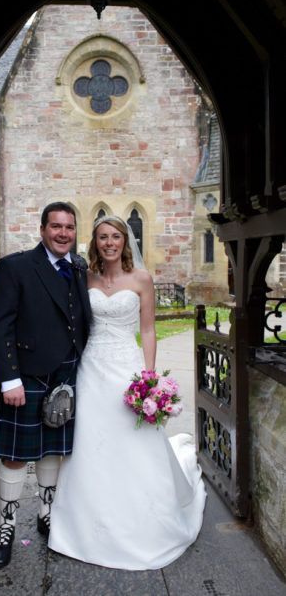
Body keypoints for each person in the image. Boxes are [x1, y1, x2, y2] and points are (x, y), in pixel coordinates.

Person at [49, 215, 206, 570]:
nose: (109, 243)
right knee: (91, 441)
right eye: (103, 237)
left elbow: (147, 330)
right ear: (95, 242)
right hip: (92, 369)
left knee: (134, 439)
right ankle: (84, 523)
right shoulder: (84, 278)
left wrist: (149, 377)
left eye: (115, 236)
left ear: (125, 240)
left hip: (126, 369)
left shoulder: (141, 279)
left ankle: (144, 519)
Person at [0, 201, 91, 569]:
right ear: (42, 229)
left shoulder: (79, 267)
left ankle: (46, 513)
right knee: (15, 454)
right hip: (27, 375)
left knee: (52, 451)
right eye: (56, 226)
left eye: (69, 227)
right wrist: (9, 378)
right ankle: (7, 524)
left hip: (67, 373)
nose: (63, 233)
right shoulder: (15, 266)